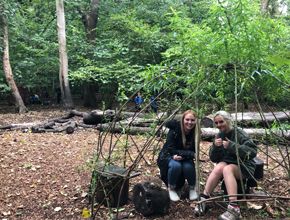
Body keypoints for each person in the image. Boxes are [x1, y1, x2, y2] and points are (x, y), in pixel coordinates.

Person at [194, 111, 257, 220]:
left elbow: (252, 151)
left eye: (221, 122)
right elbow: (214, 158)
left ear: (228, 120)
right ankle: (204, 199)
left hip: (244, 166)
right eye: (216, 123)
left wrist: (232, 146)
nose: (218, 125)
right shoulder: (220, 134)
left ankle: (234, 208)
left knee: (227, 169)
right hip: (229, 164)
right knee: (219, 167)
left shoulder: (239, 133)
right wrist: (215, 146)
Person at [157, 110, 200, 202]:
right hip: (169, 156)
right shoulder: (174, 131)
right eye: (187, 119)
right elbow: (171, 149)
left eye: (192, 120)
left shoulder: (196, 133)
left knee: (188, 166)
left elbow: (194, 150)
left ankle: (192, 188)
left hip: (184, 157)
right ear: (183, 120)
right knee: (176, 165)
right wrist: (190, 154)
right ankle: (171, 189)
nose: (189, 122)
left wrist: (185, 156)